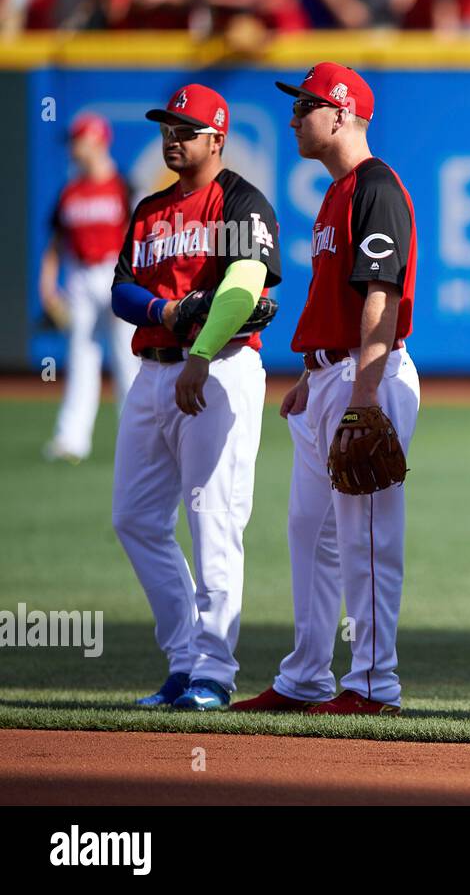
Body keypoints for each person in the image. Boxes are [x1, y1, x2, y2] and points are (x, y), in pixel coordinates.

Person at [233, 63, 420, 716]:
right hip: (330, 376)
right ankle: (306, 675)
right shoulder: (337, 193)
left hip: (368, 375)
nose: (293, 118)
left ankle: (374, 684)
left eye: (305, 106)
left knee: (367, 537)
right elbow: (336, 298)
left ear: (340, 113)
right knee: (309, 532)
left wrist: (363, 395)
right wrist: (311, 376)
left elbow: (381, 296)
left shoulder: (375, 188)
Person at [111, 84, 281, 711]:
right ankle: (184, 657)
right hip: (153, 370)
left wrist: (201, 351)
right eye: (167, 126)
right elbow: (121, 291)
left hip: (218, 369)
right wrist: (164, 308)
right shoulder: (150, 208)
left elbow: (243, 289)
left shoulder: (240, 201)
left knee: (214, 518)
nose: (172, 137)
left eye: (186, 128)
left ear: (217, 138)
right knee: (134, 518)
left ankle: (212, 670)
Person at [40, 111, 138, 464]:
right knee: (82, 358)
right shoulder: (70, 192)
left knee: (128, 359)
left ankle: (136, 438)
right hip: (80, 276)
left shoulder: (124, 186)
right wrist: (48, 285)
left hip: (117, 272)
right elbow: (55, 243)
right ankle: (71, 439)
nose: (73, 148)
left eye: (78, 140)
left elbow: (140, 237)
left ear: (96, 140)